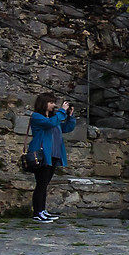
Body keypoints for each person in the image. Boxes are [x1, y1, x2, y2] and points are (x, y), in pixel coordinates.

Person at [27, 92, 76, 222]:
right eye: (51, 102)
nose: (54, 105)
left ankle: (42, 210)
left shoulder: (55, 118)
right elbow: (49, 123)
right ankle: (37, 213)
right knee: (41, 184)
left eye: (54, 102)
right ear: (43, 103)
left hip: (53, 154)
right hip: (42, 155)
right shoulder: (37, 117)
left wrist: (70, 116)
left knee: (45, 184)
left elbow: (67, 128)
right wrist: (62, 111)